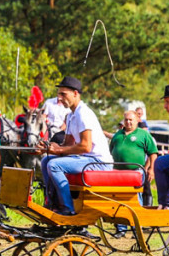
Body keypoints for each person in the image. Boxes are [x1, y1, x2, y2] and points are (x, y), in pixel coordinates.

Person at [39, 76, 113, 215]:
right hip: (86, 159)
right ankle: (52, 203)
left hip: (99, 162)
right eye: (58, 94)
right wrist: (48, 148)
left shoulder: (83, 113)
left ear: (75, 93)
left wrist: (59, 149)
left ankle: (67, 208)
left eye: (63, 94)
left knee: (54, 165)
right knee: (46, 161)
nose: (59, 98)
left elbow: (86, 146)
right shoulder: (72, 115)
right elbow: (67, 145)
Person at [109, 111, 158, 231]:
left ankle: (137, 225)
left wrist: (151, 169)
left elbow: (153, 153)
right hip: (118, 172)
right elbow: (111, 150)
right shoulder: (118, 135)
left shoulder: (143, 134)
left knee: (135, 197)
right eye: (126, 120)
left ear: (137, 120)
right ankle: (121, 228)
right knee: (119, 199)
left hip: (136, 172)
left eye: (131, 120)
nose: (128, 122)